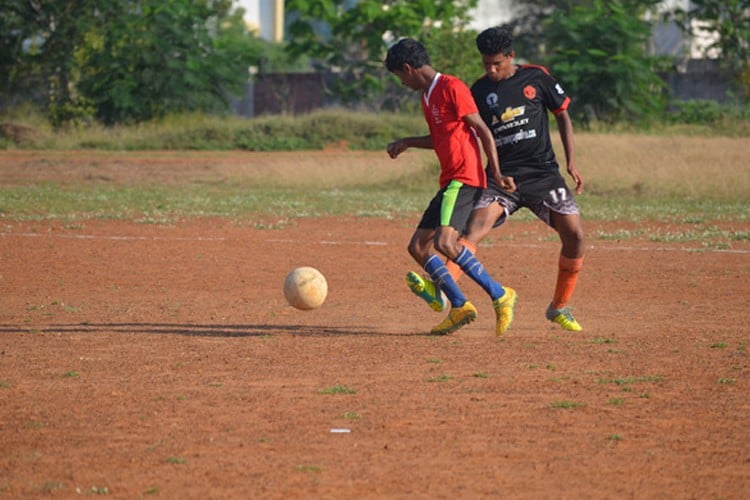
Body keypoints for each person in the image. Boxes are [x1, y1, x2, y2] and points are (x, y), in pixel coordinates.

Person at [406, 27, 586, 331]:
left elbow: (562, 115)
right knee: (470, 233)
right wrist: (495, 172)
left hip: (543, 173)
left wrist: (571, 163)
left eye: (497, 64)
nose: (490, 69)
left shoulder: (537, 77)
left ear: (511, 57)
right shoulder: (477, 91)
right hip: (501, 179)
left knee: (575, 236)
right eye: (485, 63)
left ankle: (559, 306)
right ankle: (446, 292)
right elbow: (464, 134)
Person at [385, 37, 517, 336]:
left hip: (465, 178)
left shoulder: (452, 87)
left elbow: (482, 129)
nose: (402, 83)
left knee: (445, 242)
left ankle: (500, 294)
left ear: (408, 68)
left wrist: (495, 172)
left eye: (400, 76)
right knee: (418, 246)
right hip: (450, 180)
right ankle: (459, 305)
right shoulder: (427, 96)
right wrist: (407, 142)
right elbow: (439, 138)